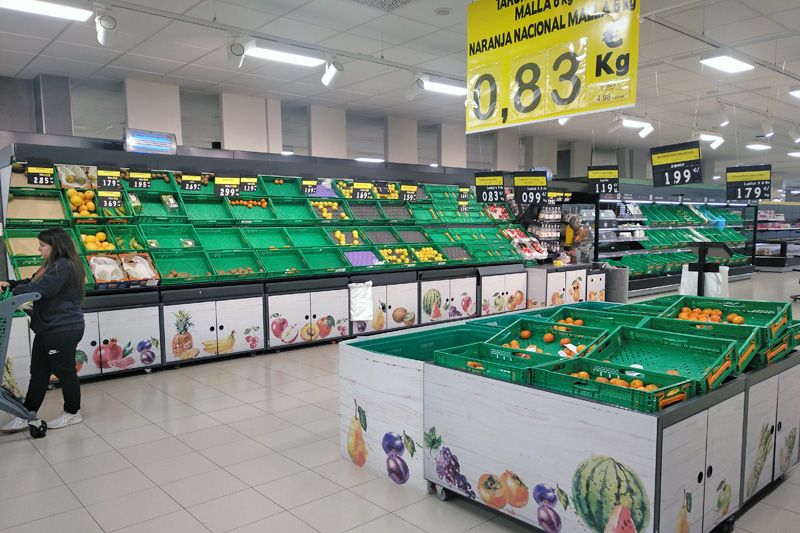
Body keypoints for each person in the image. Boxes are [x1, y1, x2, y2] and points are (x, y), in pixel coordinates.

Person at [0, 228, 85, 432]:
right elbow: (32, 282)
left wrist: (15, 290)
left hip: (62, 328)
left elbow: (41, 290)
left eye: (42, 245)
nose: (39, 248)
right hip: (47, 327)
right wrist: (9, 284)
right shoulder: (51, 265)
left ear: (56, 246)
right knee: (38, 372)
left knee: (65, 373)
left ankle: (73, 413)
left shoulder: (64, 266)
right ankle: (27, 413)